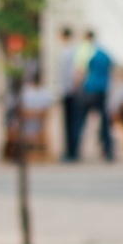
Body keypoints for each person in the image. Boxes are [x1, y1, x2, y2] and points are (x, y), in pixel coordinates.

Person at [82, 36, 116, 162]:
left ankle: (75, 150)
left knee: (80, 121)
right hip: (103, 89)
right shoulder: (105, 54)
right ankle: (108, 150)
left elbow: (83, 70)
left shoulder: (89, 52)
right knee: (105, 122)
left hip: (91, 89)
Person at [54, 27, 86, 161]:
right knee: (70, 123)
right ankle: (71, 151)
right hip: (70, 90)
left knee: (71, 123)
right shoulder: (72, 50)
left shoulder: (69, 52)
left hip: (70, 91)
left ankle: (72, 152)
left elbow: (74, 72)